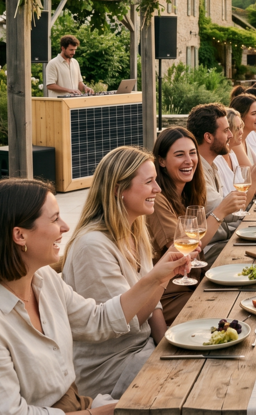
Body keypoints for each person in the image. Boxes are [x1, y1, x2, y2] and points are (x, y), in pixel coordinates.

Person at [0, 178, 192, 415]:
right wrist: (101, 412)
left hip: (76, 404)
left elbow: (98, 320)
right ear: (20, 235)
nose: (65, 227)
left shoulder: (42, 280)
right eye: (54, 219)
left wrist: (157, 278)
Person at [63, 147, 170, 399]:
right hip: (111, 367)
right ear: (118, 189)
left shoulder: (134, 230)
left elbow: (152, 305)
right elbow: (124, 323)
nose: (158, 189)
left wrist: (167, 342)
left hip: (143, 348)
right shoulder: (92, 246)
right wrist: (163, 276)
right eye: (149, 182)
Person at [147, 127, 247, 323]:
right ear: (161, 161)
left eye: (192, 153)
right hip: (172, 295)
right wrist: (219, 213)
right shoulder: (158, 200)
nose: (189, 160)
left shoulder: (188, 192)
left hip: (195, 282)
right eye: (179, 155)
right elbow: (184, 250)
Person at [187, 103, 256, 220]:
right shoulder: (197, 171)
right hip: (223, 237)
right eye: (226, 130)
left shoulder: (211, 165)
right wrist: (254, 178)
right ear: (208, 137)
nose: (231, 135)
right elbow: (229, 215)